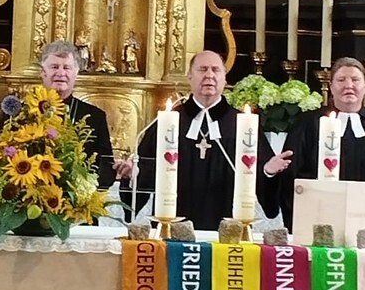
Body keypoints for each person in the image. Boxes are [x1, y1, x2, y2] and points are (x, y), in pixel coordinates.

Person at [121, 51, 292, 230]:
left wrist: (268, 172)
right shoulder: (167, 122)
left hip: (228, 227)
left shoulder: (243, 124)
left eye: (215, 70)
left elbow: (261, 180)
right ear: (189, 76)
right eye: (202, 69)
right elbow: (146, 169)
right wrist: (133, 174)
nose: (209, 75)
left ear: (224, 78)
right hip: (173, 225)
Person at [280, 57, 365, 246]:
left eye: (355, 80)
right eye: (341, 80)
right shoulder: (308, 125)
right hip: (317, 223)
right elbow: (291, 177)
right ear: (331, 86)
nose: (348, 85)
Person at [39, 40, 117, 189]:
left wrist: (86, 187)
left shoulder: (95, 117)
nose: (61, 73)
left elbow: (106, 168)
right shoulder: (20, 112)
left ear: (76, 73)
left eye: (67, 67)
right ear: (43, 72)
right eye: (54, 67)